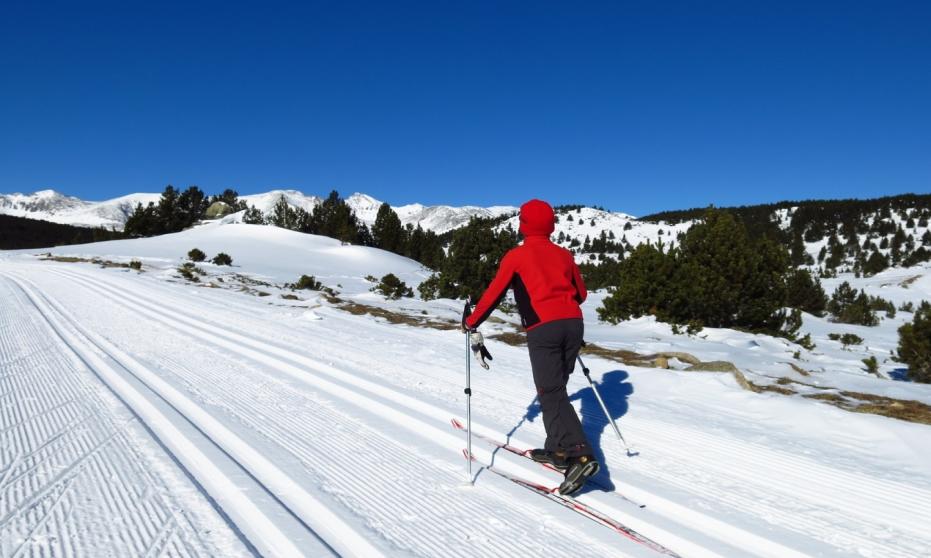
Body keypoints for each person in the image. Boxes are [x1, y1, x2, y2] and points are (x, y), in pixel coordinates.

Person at [462, 199, 599, 496]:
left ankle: (581, 454)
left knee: (550, 391)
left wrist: (471, 321)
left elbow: (493, 295)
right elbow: (582, 294)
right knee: (554, 388)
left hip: (544, 329)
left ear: (522, 224)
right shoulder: (564, 254)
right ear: (551, 225)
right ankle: (558, 450)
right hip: (573, 324)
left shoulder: (516, 257)